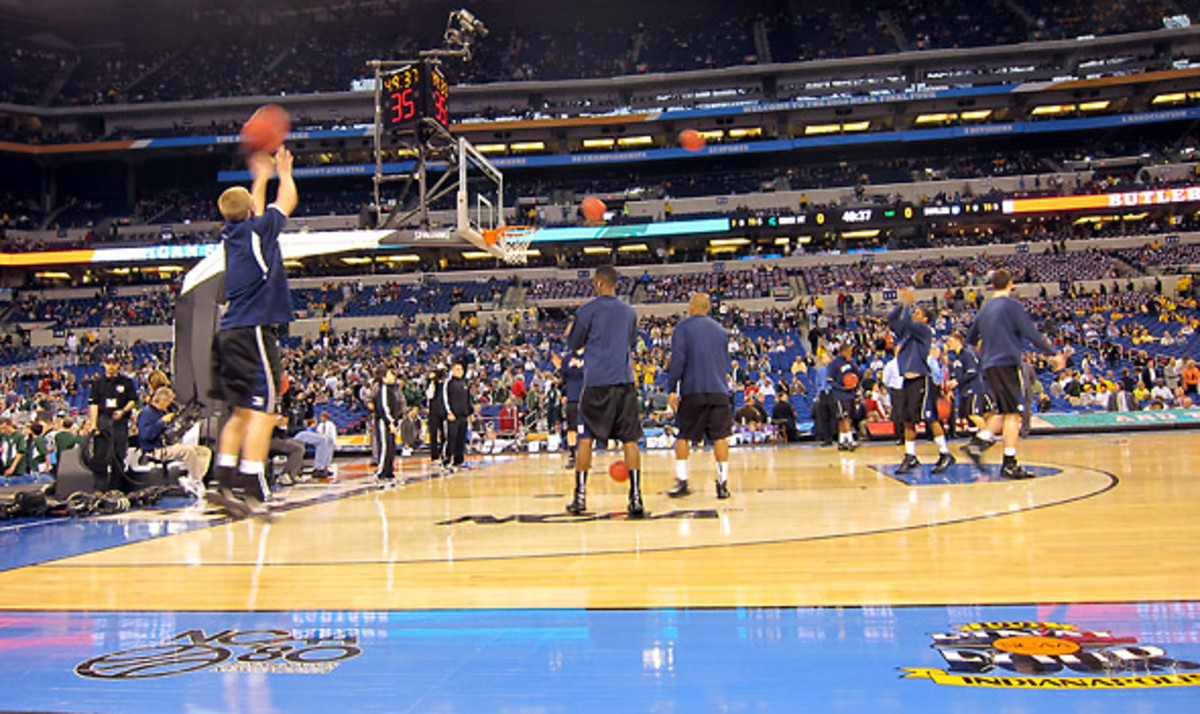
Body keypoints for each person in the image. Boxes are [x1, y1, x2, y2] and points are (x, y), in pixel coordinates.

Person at [207, 145, 297, 518]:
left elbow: (254, 210)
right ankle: (252, 488)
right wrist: (284, 172)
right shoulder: (259, 229)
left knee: (240, 414)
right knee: (263, 413)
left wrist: (259, 178)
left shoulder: (235, 234)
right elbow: (287, 200)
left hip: (228, 332)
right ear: (250, 213)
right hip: (254, 331)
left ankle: (222, 481)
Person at [963, 269, 1067, 479]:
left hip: (990, 365)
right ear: (1010, 284)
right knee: (1013, 414)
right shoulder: (1012, 305)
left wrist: (984, 345)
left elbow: (971, 338)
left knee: (1004, 409)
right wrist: (1053, 353)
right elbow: (1030, 332)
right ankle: (1008, 463)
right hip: (1007, 362)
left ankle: (979, 443)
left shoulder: (984, 309)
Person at [565, 265, 646, 517]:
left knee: (586, 437)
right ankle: (635, 498)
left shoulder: (587, 310)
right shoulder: (629, 311)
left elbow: (574, 344)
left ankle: (579, 498)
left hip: (597, 382)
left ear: (599, 283)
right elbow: (631, 342)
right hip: (624, 381)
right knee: (630, 439)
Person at [665, 293, 733, 499]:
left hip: (693, 389)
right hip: (719, 390)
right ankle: (722, 484)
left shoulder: (683, 328)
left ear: (693, 307)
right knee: (720, 437)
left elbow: (678, 360)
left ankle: (683, 482)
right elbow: (726, 364)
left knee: (683, 436)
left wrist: (671, 387)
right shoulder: (721, 331)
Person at [888, 289, 955, 474]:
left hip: (922, 380)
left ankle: (945, 453)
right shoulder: (909, 333)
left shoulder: (924, 330)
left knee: (929, 417)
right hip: (908, 380)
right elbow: (892, 319)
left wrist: (908, 304)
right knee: (908, 420)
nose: (915, 314)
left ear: (925, 319)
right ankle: (910, 456)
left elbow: (907, 321)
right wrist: (902, 304)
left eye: (919, 313)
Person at [136, 386, 212, 497]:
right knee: (188, 451)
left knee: (204, 451)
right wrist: (161, 422)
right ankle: (194, 479)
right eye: (168, 401)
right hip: (156, 449)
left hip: (169, 444)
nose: (169, 404)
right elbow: (145, 435)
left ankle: (195, 479)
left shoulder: (164, 411)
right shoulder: (147, 413)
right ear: (161, 400)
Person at [86, 352, 138, 491]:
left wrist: (123, 411)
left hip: (120, 421)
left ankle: (116, 488)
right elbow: (94, 404)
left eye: (113, 363)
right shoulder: (98, 383)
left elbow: (133, 400)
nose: (111, 366)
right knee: (100, 455)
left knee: (118, 455)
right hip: (103, 420)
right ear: (104, 364)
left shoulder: (126, 382)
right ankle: (99, 488)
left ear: (118, 365)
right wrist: (93, 424)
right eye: (108, 363)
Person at [945, 332, 995, 436]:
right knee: (979, 414)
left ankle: (987, 436)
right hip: (966, 389)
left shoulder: (967, 354)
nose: (948, 344)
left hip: (974, 388)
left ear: (958, 341)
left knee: (973, 413)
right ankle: (984, 434)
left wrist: (958, 381)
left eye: (950, 341)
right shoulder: (956, 358)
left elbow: (972, 371)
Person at [826, 341, 861, 451]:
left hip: (850, 394)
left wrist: (853, 364)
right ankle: (850, 441)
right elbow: (830, 381)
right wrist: (842, 388)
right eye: (849, 351)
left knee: (845, 418)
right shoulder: (834, 364)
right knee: (844, 417)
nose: (851, 353)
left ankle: (842, 442)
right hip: (840, 395)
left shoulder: (851, 362)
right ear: (843, 351)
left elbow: (860, 375)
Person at [373, 366, 404, 482]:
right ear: (383, 378)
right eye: (390, 374)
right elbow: (384, 407)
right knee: (385, 446)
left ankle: (389, 472)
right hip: (384, 422)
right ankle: (380, 472)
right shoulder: (384, 389)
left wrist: (396, 421)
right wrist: (390, 422)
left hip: (393, 422)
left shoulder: (394, 389)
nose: (393, 376)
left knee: (391, 447)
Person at [443, 361, 473, 471]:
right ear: (452, 370)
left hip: (463, 416)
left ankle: (458, 461)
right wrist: (449, 412)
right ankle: (446, 461)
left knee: (461, 439)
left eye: (461, 369)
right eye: (457, 369)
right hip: (453, 416)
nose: (459, 372)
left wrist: (470, 413)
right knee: (451, 439)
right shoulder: (449, 383)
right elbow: (445, 398)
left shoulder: (465, 384)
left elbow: (468, 399)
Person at [559, 348, 585, 469]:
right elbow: (563, 379)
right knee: (572, 428)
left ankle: (585, 455)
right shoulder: (567, 358)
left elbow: (594, 374)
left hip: (587, 397)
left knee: (586, 428)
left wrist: (579, 366)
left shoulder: (590, 355)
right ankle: (572, 455)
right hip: (572, 397)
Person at [292, 412, 336, 480]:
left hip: (304, 432)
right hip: (296, 434)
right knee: (322, 440)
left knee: (329, 440)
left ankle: (325, 467)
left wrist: (309, 404)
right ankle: (318, 469)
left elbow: (309, 417)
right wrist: (309, 426)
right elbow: (293, 429)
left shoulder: (302, 409)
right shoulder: (291, 415)